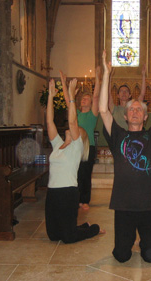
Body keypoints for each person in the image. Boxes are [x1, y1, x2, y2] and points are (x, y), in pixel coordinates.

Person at [99, 49, 151, 263]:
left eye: (139, 110)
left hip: (150, 205)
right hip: (124, 205)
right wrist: (105, 73)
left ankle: (146, 242)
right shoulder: (117, 136)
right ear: (125, 115)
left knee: (150, 256)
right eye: (131, 109)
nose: (135, 111)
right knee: (121, 256)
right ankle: (129, 240)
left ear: (146, 116)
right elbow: (103, 110)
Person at [45, 77, 105, 243]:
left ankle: (93, 228)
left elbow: (72, 121)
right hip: (52, 193)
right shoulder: (58, 144)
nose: (73, 127)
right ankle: (83, 225)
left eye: (76, 129)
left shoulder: (77, 147)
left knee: (68, 238)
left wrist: (71, 97)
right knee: (53, 236)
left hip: (67, 193)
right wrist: (50, 96)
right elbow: (49, 122)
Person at [61, 67, 101, 210]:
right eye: (83, 98)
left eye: (87, 99)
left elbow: (96, 97)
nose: (84, 100)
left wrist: (97, 77)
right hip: (74, 146)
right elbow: (67, 101)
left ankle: (85, 200)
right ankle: (76, 198)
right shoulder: (76, 113)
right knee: (75, 172)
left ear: (90, 104)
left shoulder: (92, 115)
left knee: (85, 173)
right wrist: (64, 84)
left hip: (87, 146)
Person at [108, 64, 146, 129]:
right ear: (118, 95)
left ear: (129, 95)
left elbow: (142, 94)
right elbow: (108, 94)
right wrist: (109, 76)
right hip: (118, 138)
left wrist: (143, 75)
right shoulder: (114, 109)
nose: (124, 93)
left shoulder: (132, 108)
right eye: (121, 91)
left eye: (126, 91)